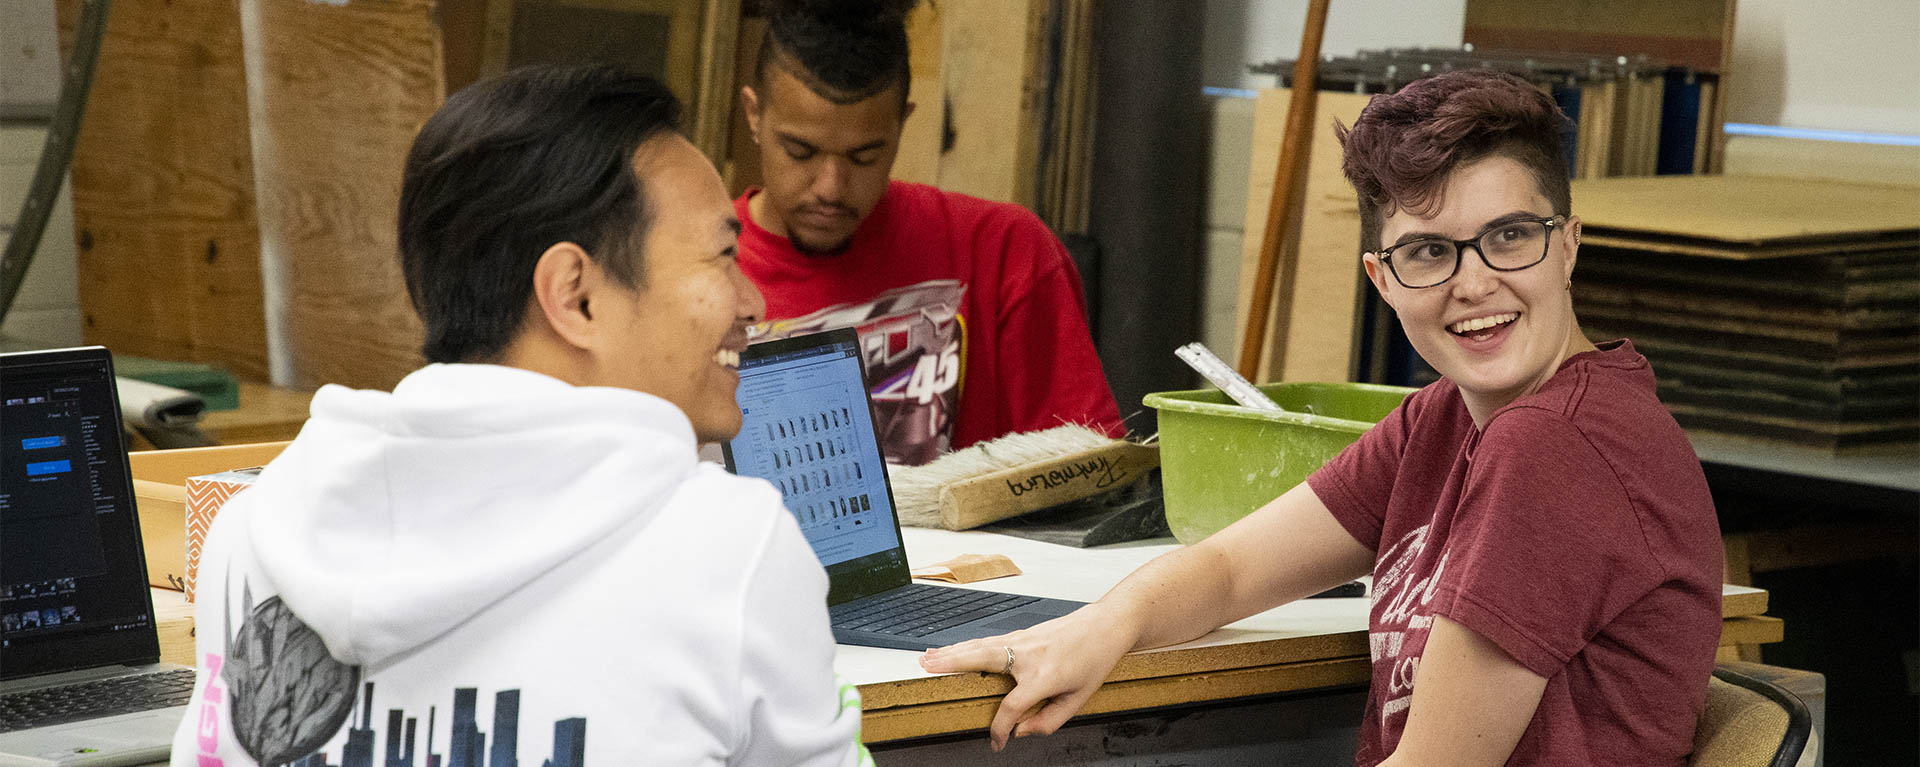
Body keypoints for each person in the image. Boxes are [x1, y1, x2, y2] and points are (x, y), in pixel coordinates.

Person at [921, 69, 1724, 766]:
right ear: (1382, 277)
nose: (1474, 283)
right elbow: (1232, 569)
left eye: (1509, 237)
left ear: (1569, 243)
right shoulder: (1445, 419)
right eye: (1429, 252)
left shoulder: (1556, 443)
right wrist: (1101, 626)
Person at [172, 65, 871, 767]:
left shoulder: (252, 533)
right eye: (723, 256)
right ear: (576, 295)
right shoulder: (732, 549)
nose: (753, 303)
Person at [736, 0, 1123, 465]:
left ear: (902, 126)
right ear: (753, 115)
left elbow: (1092, 476)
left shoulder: (1004, 252)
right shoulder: (688, 276)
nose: (830, 189)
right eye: (800, 151)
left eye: (864, 156)